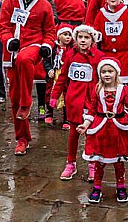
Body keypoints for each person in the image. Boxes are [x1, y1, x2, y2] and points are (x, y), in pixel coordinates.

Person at [0, 0, 56, 155]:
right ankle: (22, 138)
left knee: (24, 59)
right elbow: (3, 27)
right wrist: (9, 41)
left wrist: (47, 46)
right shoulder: (9, 1)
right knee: (13, 99)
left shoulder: (45, 4)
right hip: (13, 51)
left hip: (34, 48)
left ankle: (27, 102)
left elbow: (50, 32)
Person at [79, 57, 128, 204]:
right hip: (101, 130)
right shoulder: (97, 89)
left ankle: (121, 187)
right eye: (103, 72)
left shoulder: (123, 90)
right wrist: (85, 124)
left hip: (118, 130)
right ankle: (97, 187)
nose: (107, 74)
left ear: (116, 73)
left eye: (110, 71)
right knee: (99, 161)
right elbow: (91, 109)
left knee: (119, 161)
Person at [50, 24, 102, 182]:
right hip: (73, 100)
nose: (83, 40)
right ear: (75, 39)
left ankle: (92, 163)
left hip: (91, 101)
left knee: (91, 134)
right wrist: (54, 95)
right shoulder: (70, 55)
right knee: (73, 134)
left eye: (86, 38)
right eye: (80, 37)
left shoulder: (98, 56)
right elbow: (63, 77)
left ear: (92, 39)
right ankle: (71, 163)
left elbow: (103, 77)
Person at [91, 0, 128, 97]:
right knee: (109, 81)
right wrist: (98, 35)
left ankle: (126, 105)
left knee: (125, 85)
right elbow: (96, 29)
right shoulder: (101, 14)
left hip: (125, 54)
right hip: (107, 54)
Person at [44, 24, 75, 127]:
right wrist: (49, 70)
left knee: (67, 95)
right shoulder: (53, 48)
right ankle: (48, 113)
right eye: (65, 34)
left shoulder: (72, 49)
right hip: (54, 75)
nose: (67, 37)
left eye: (69, 35)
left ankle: (67, 118)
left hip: (66, 76)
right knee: (50, 93)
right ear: (59, 35)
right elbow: (46, 61)